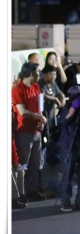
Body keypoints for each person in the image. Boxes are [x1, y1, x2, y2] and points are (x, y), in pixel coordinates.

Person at [12, 62, 47, 203]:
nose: (40, 74)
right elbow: (21, 111)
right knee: (23, 164)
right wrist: (39, 117)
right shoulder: (17, 89)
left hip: (36, 130)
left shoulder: (36, 87)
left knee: (35, 163)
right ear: (31, 73)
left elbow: (40, 106)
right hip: (24, 130)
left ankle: (32, 191)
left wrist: (41, 120)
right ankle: (21, 193)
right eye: (38, 71)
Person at [54, 86, 80, 211]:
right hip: (68, 144)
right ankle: (65, 201)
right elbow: (64, 121)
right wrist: (73, 108)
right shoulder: (66, 108)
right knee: (67, 174)